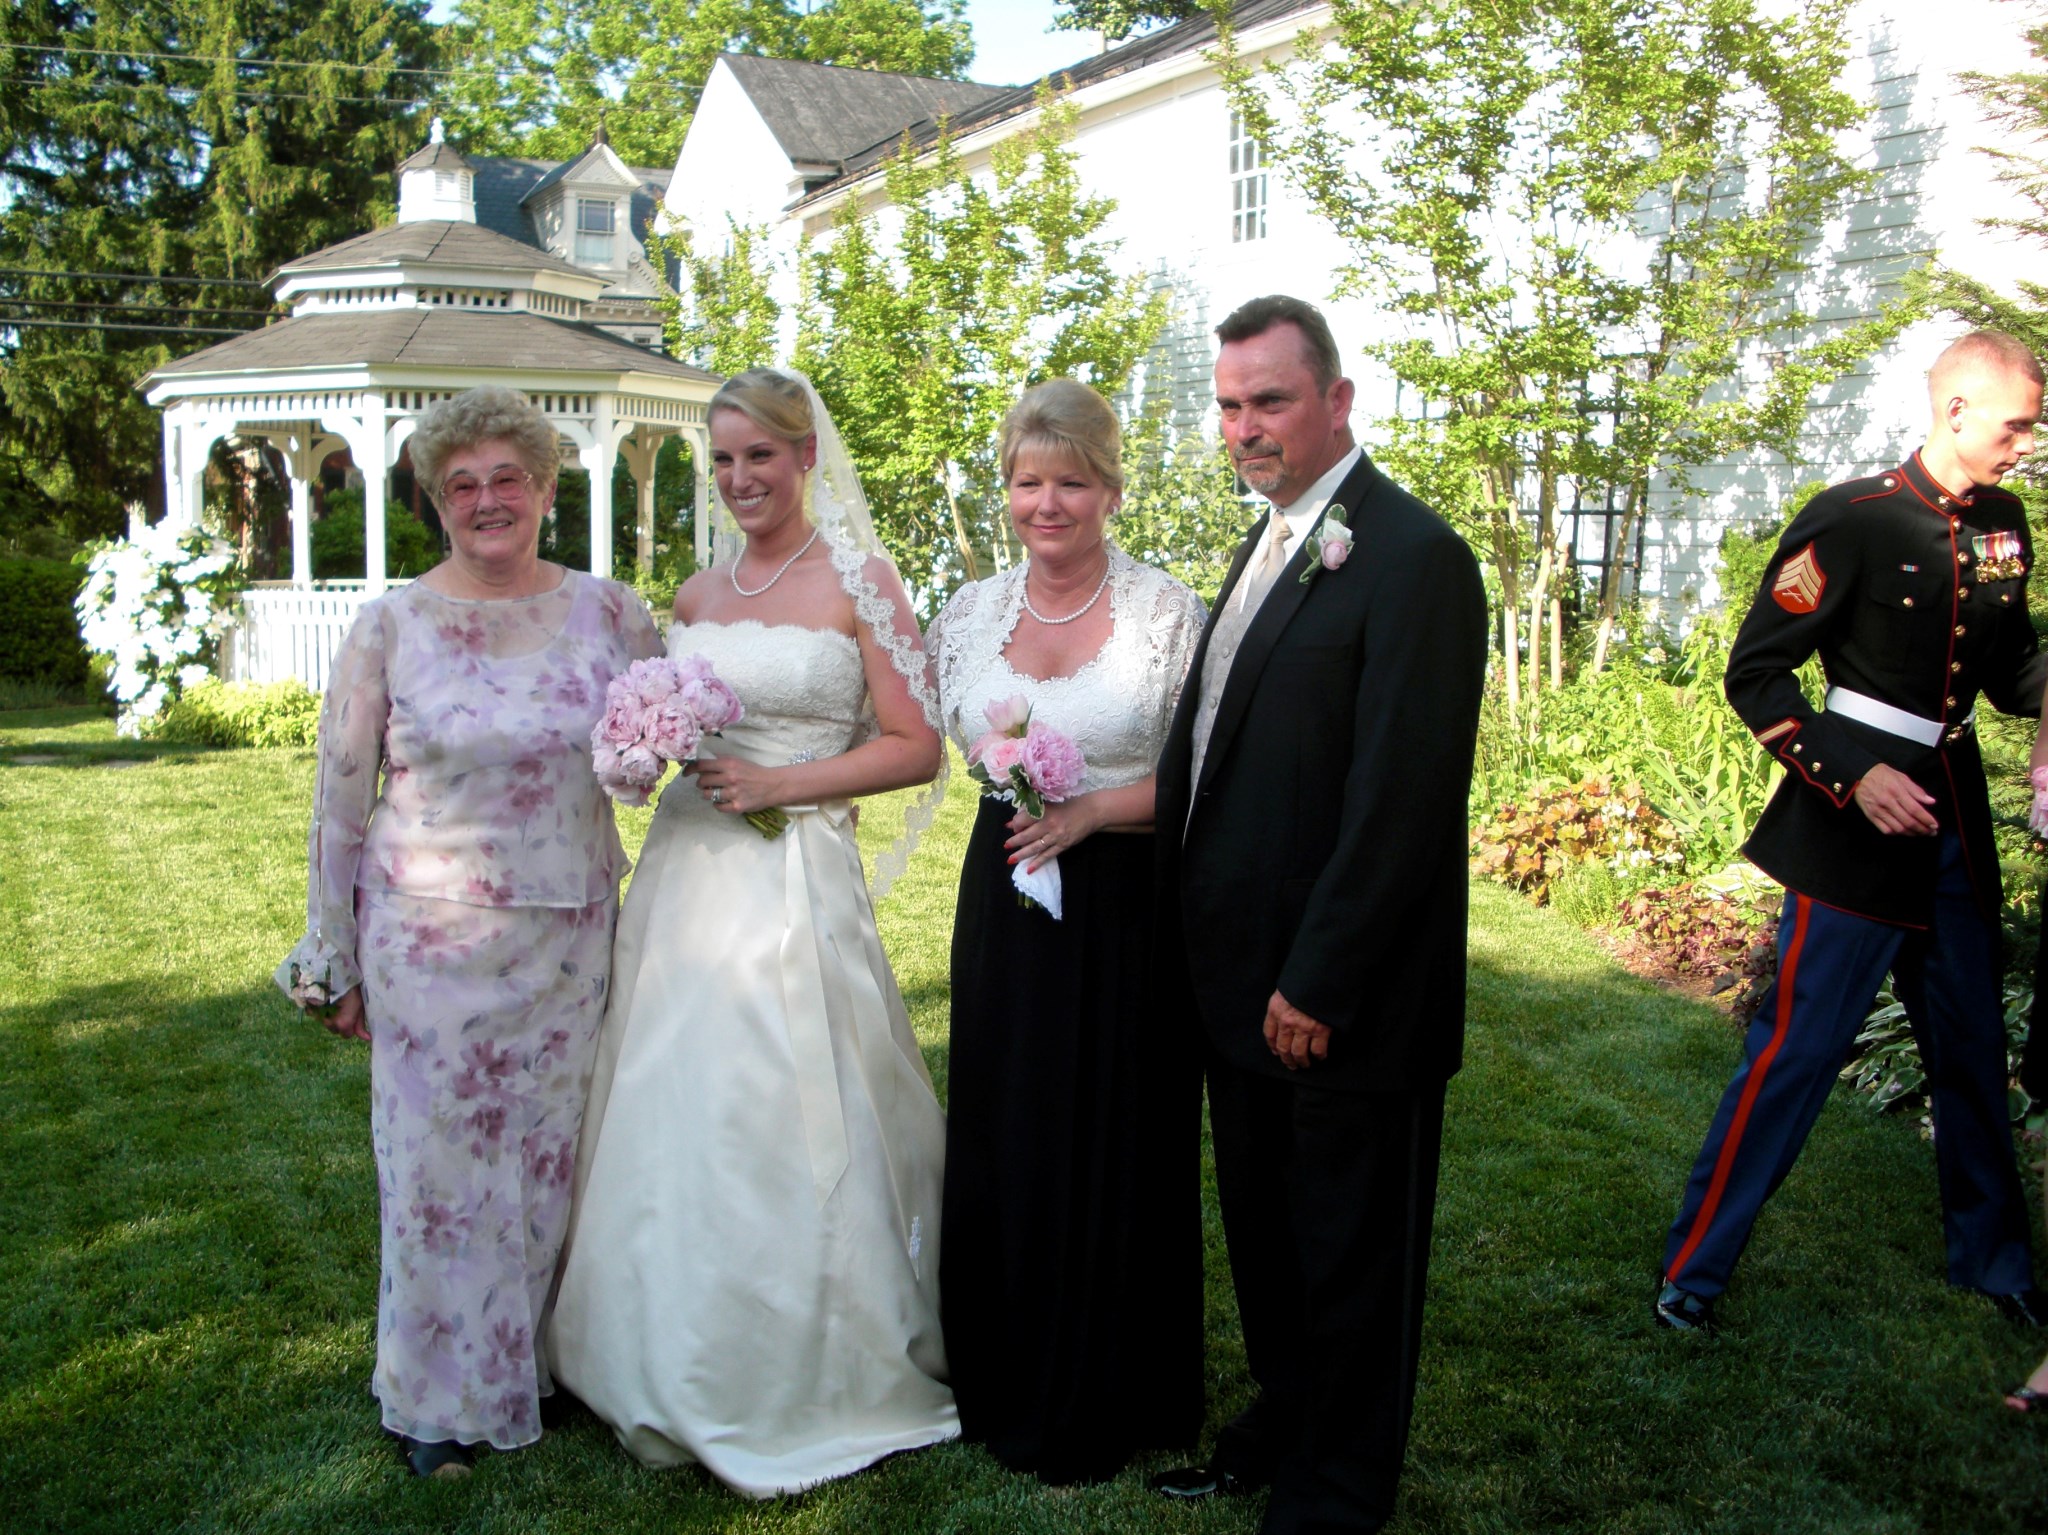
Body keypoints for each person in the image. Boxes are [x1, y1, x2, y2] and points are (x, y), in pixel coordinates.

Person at [543, 367, 957, 1495]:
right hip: (685, 878)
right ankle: (646, 1342)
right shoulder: (694, 592)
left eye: (759, 456)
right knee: (671, 1096)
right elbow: (668, 731)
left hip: (791, 873)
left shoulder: (861, 582)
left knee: (783, 1093)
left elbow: (916, 745)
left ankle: (809, 1355)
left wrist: (785, 783)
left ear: (805, 455)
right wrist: (641, 752)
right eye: (721, 459)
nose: (738, 479)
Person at [274, 385, 666, 1479]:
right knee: (437, 1170)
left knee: (550, 1158)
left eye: (508, 479)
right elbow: (339, 801)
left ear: (544, 488)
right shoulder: (390, 625)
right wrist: (331, 950)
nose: (487, 500)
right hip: (429, 939)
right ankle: (434, 1402)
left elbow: (656, 754)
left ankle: (532, 1361)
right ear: (435, 501)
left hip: (570, 935)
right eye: (462, 485)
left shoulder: (614, 614)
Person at [1150, 296, 1487, 1534]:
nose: (1244, 426)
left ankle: (1337, 1491)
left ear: (1337, 400)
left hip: (1340, 992)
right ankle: (1281, 1424)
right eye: (1228, 405)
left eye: (1269, 401)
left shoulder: (1413, 557)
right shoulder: (1273, 538)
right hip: (1240, 976)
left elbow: (1403, 796)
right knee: (1270, 1237)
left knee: (1350, 1252)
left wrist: (1320, 977)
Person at [1656, 329, 2048, 1335]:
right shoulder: (1852, 518)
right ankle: (1694, 1269)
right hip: (1851, 829)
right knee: (1795, 1053)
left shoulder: (2003, 524)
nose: (2024, 446)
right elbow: (1756, 673)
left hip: (1951, 825)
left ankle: (1993, 1261)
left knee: (1970, 1046)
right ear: (1955, 409)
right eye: (2014, 427)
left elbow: (2012, 671)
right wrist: (1852, 773)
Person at [929, 379, 1208, 1482]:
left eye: (1072, 482)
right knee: (1009, 1118)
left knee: (1115, 1125)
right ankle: (1000, 1367)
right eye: (1027, 481)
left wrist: (1091, 810)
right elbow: (939, 738)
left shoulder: (1165, 615)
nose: (1047, 503)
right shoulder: (969, 614)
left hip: (1126, 902)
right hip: (1005, 893)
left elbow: (1208, 775)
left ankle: (1109, 1380)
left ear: (1111, 490)